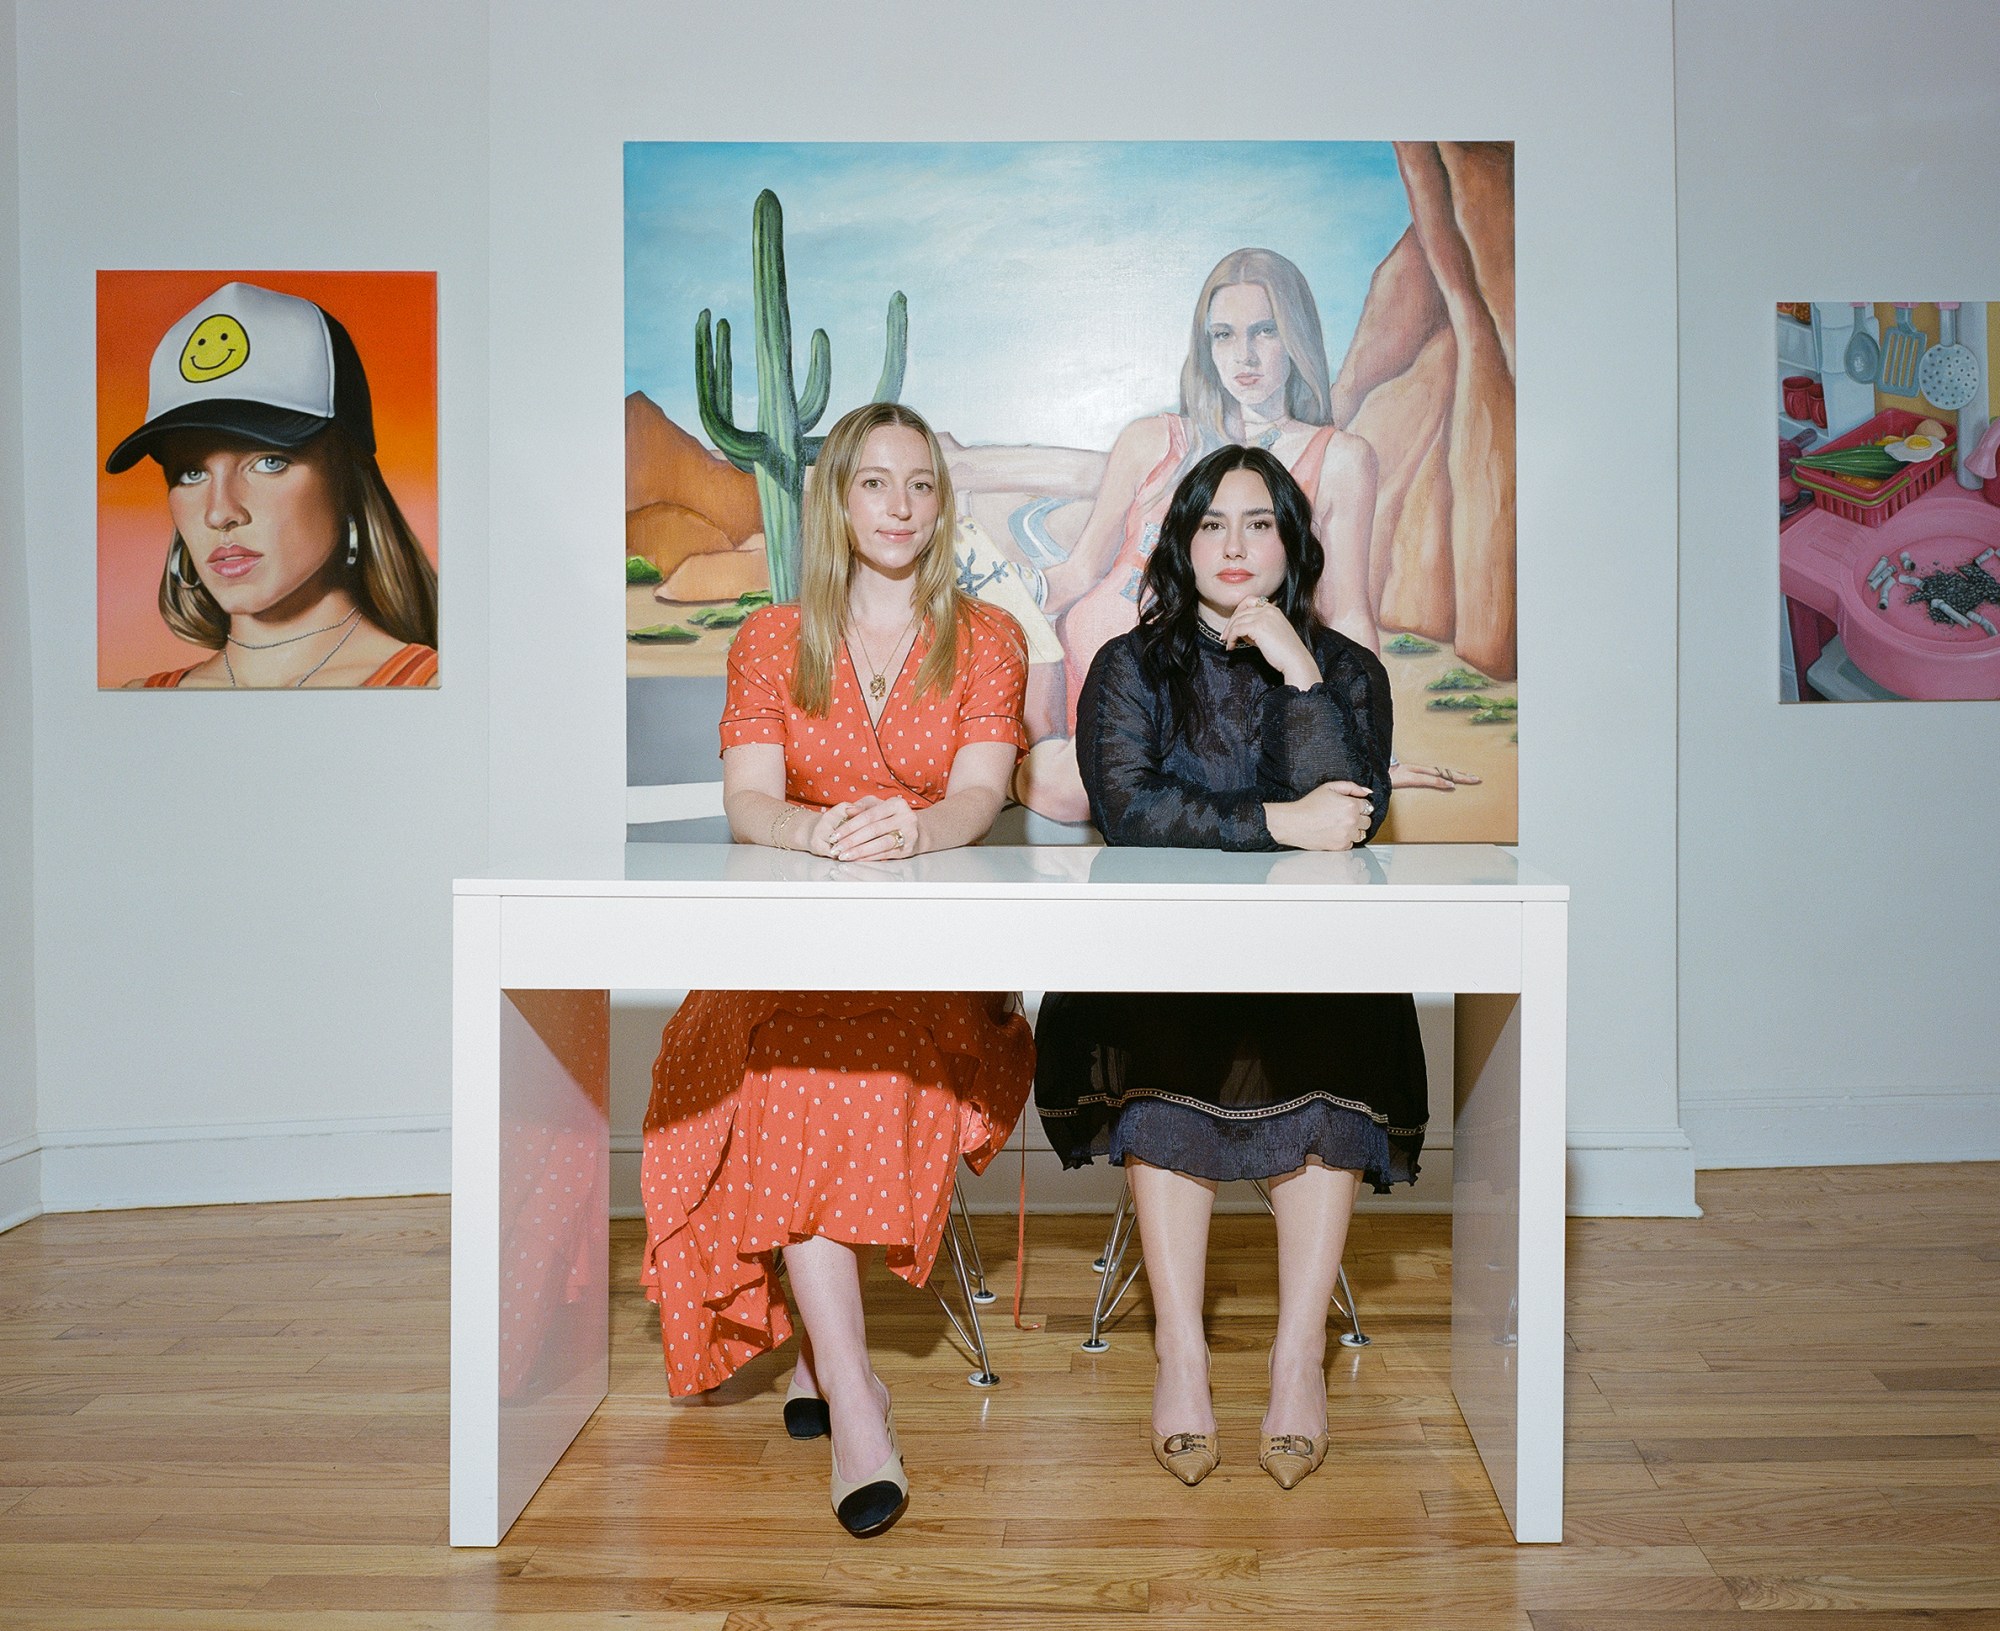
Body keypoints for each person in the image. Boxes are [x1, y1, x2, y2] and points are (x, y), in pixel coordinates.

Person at [638, 402, 1033, 1539]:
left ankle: (843, 1386)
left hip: (930, 967)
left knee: (818, 1073)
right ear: (838, 501)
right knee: (776, 1053)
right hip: (783, 957)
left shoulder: (989, 636)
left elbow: (978, 791)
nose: (900, 506)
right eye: (874, 483)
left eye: (920, 485)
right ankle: (847, 1379)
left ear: (939, 504)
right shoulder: (770, 635)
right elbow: (749, 801)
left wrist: (915, 831)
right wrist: (812, 835)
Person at [1034, 443, 1428, 1490]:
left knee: (1339, 1027)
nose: (1234, 545)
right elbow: (1129, 810)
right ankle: (1182, 1353)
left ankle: (1297, 1362)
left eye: (1257, 523)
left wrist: (1297, 671)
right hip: (1161, 970)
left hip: (1311, 972)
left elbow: (1346, 812)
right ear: (1181, 542)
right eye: (1211, 523)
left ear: (1291, 542)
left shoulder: (1346, 672)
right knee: (1166, 1034)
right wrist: (1272, 822)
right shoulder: (1131, 664)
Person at [967, 247, 1469, 819]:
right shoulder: (1156, 440)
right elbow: (1076, 574)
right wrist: (982, 596)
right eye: (1224, 336)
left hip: (1215, 715)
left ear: (1296, 337)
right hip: (1087, 678)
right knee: (1073, 788)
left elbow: (1348, 612)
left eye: (1265, 331)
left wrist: (1367, 742)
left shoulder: (1340, 458)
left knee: (1128, 795)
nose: (1245, 356)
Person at [106, 281, 438, 688]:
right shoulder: (137, 701)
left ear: (347, 477)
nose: (220, 512)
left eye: (268, 462)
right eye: (191, 472)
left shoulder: (431, 689)